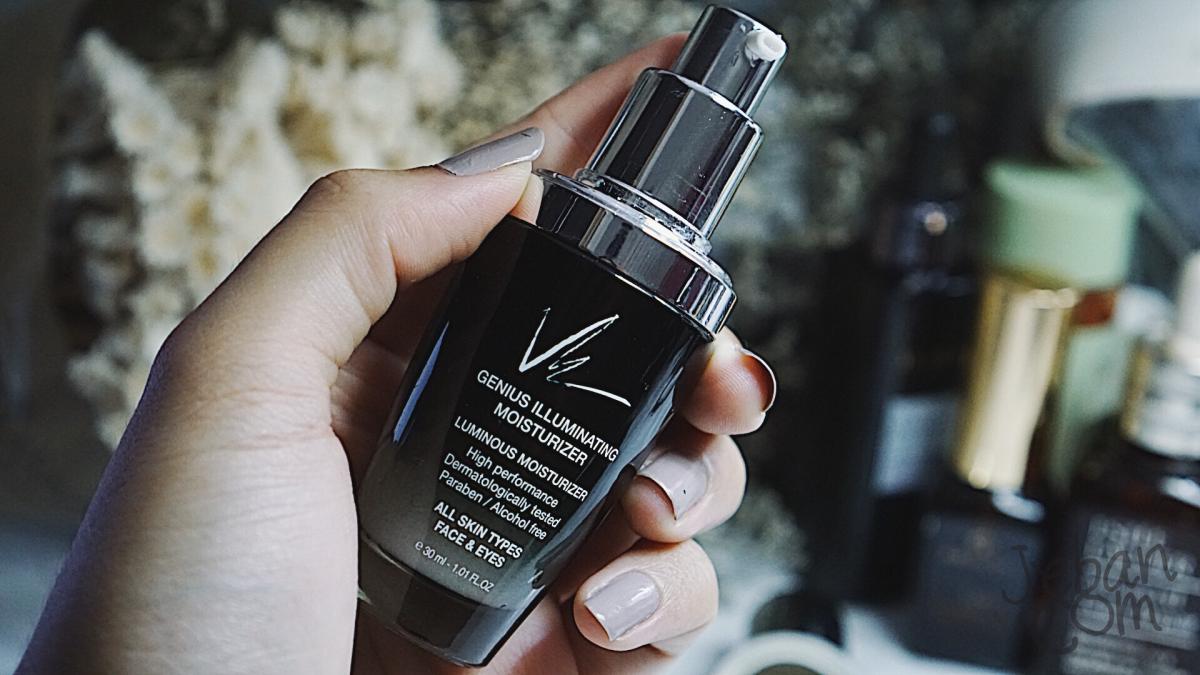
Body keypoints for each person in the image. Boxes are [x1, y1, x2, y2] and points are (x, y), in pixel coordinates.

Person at [18, 35, 775, 675]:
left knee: (681, 461)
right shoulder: (526, 204)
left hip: (472, 610)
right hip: (354, 551)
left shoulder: (675, 285)